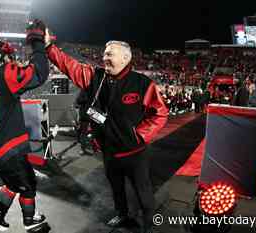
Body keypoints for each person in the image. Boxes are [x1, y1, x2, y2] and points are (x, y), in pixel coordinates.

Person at [44, 32, 168, 233]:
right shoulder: (95, 77)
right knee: (116, 189)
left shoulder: (142, 84)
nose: (104, 58)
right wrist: (49, 47)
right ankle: (121, 214)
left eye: (110, 54)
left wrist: (140, 135)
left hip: (135, 154)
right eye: (104, 54)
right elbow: (70, 66)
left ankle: (149, 224)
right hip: (109, 153)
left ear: (125, 58)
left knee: (143, 192)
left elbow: (161, 113)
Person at [0, 19, 50, 232]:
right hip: (6, 148)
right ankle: (30, 221)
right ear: (6, 57)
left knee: (13, 182)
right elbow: (39, 74)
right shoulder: (6, 73)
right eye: (10, 57)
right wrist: (37, 42)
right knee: (28, 185)